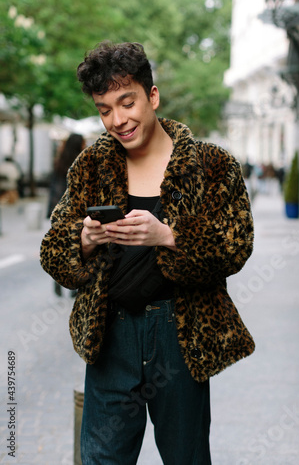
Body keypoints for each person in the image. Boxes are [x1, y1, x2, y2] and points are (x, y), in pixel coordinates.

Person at [40, 41, 255, 465]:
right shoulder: (91, 166)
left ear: (152, 96)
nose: (118, 120)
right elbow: (52, 251)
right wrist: (83, 241)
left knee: (186, 458)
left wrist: (169, 236)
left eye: (127, 102)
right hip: (111, 336)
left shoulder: (212, 165)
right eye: (105, 109)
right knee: (101, 459)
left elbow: (236, 245)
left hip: (179, 334)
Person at [46, 133, 86, 296]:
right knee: (76, 248)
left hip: (60, 209)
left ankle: (58, 280)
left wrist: (51, 210)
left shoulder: (59, 161)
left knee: (60, 247)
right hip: (77, 211)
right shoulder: (82, 161)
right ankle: (73, 287)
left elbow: (54, 188)